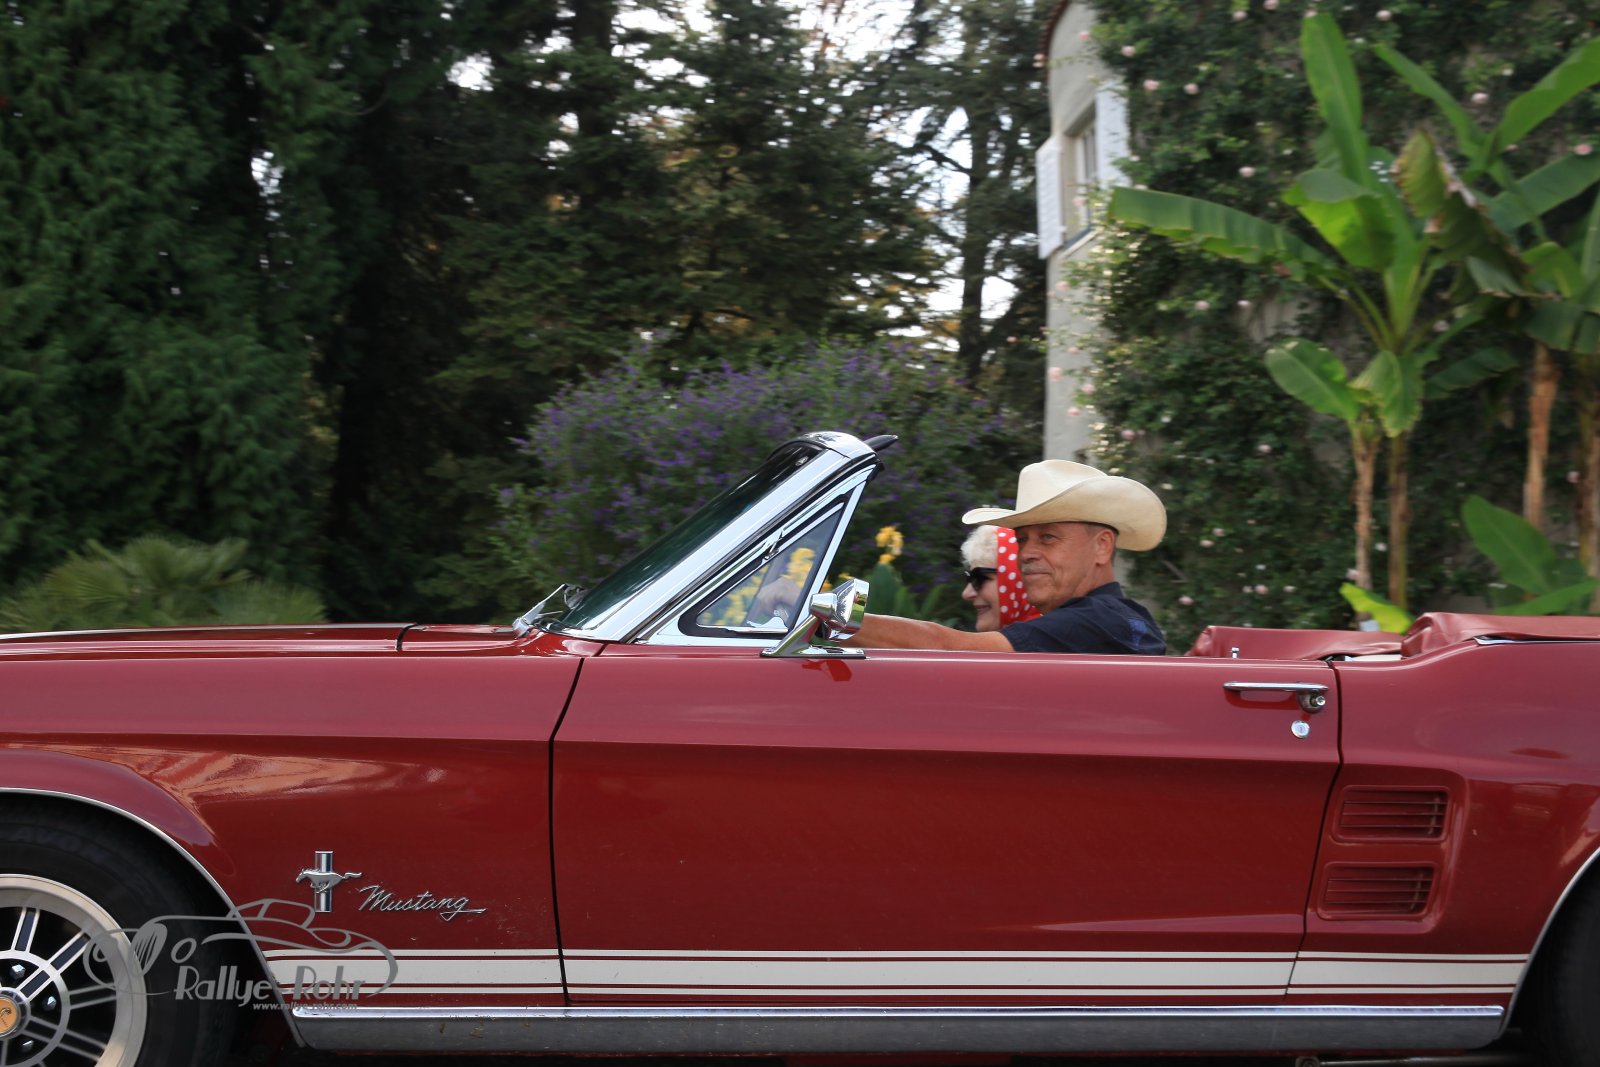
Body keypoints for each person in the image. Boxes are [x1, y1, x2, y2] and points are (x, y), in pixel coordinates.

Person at [846, 460, 1167, 654]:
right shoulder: (1121, 617)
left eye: (1049, 537)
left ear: (1102, 547)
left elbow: (950, 648)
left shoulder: (1091, 621)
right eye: (1022, 539)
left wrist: (831, 617)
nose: (1026, 552)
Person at [960, 525, 1041, 632]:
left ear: (1018, 579)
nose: (966, 593)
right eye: (970, 578)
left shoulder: (1044, 639)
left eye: (981, 578)